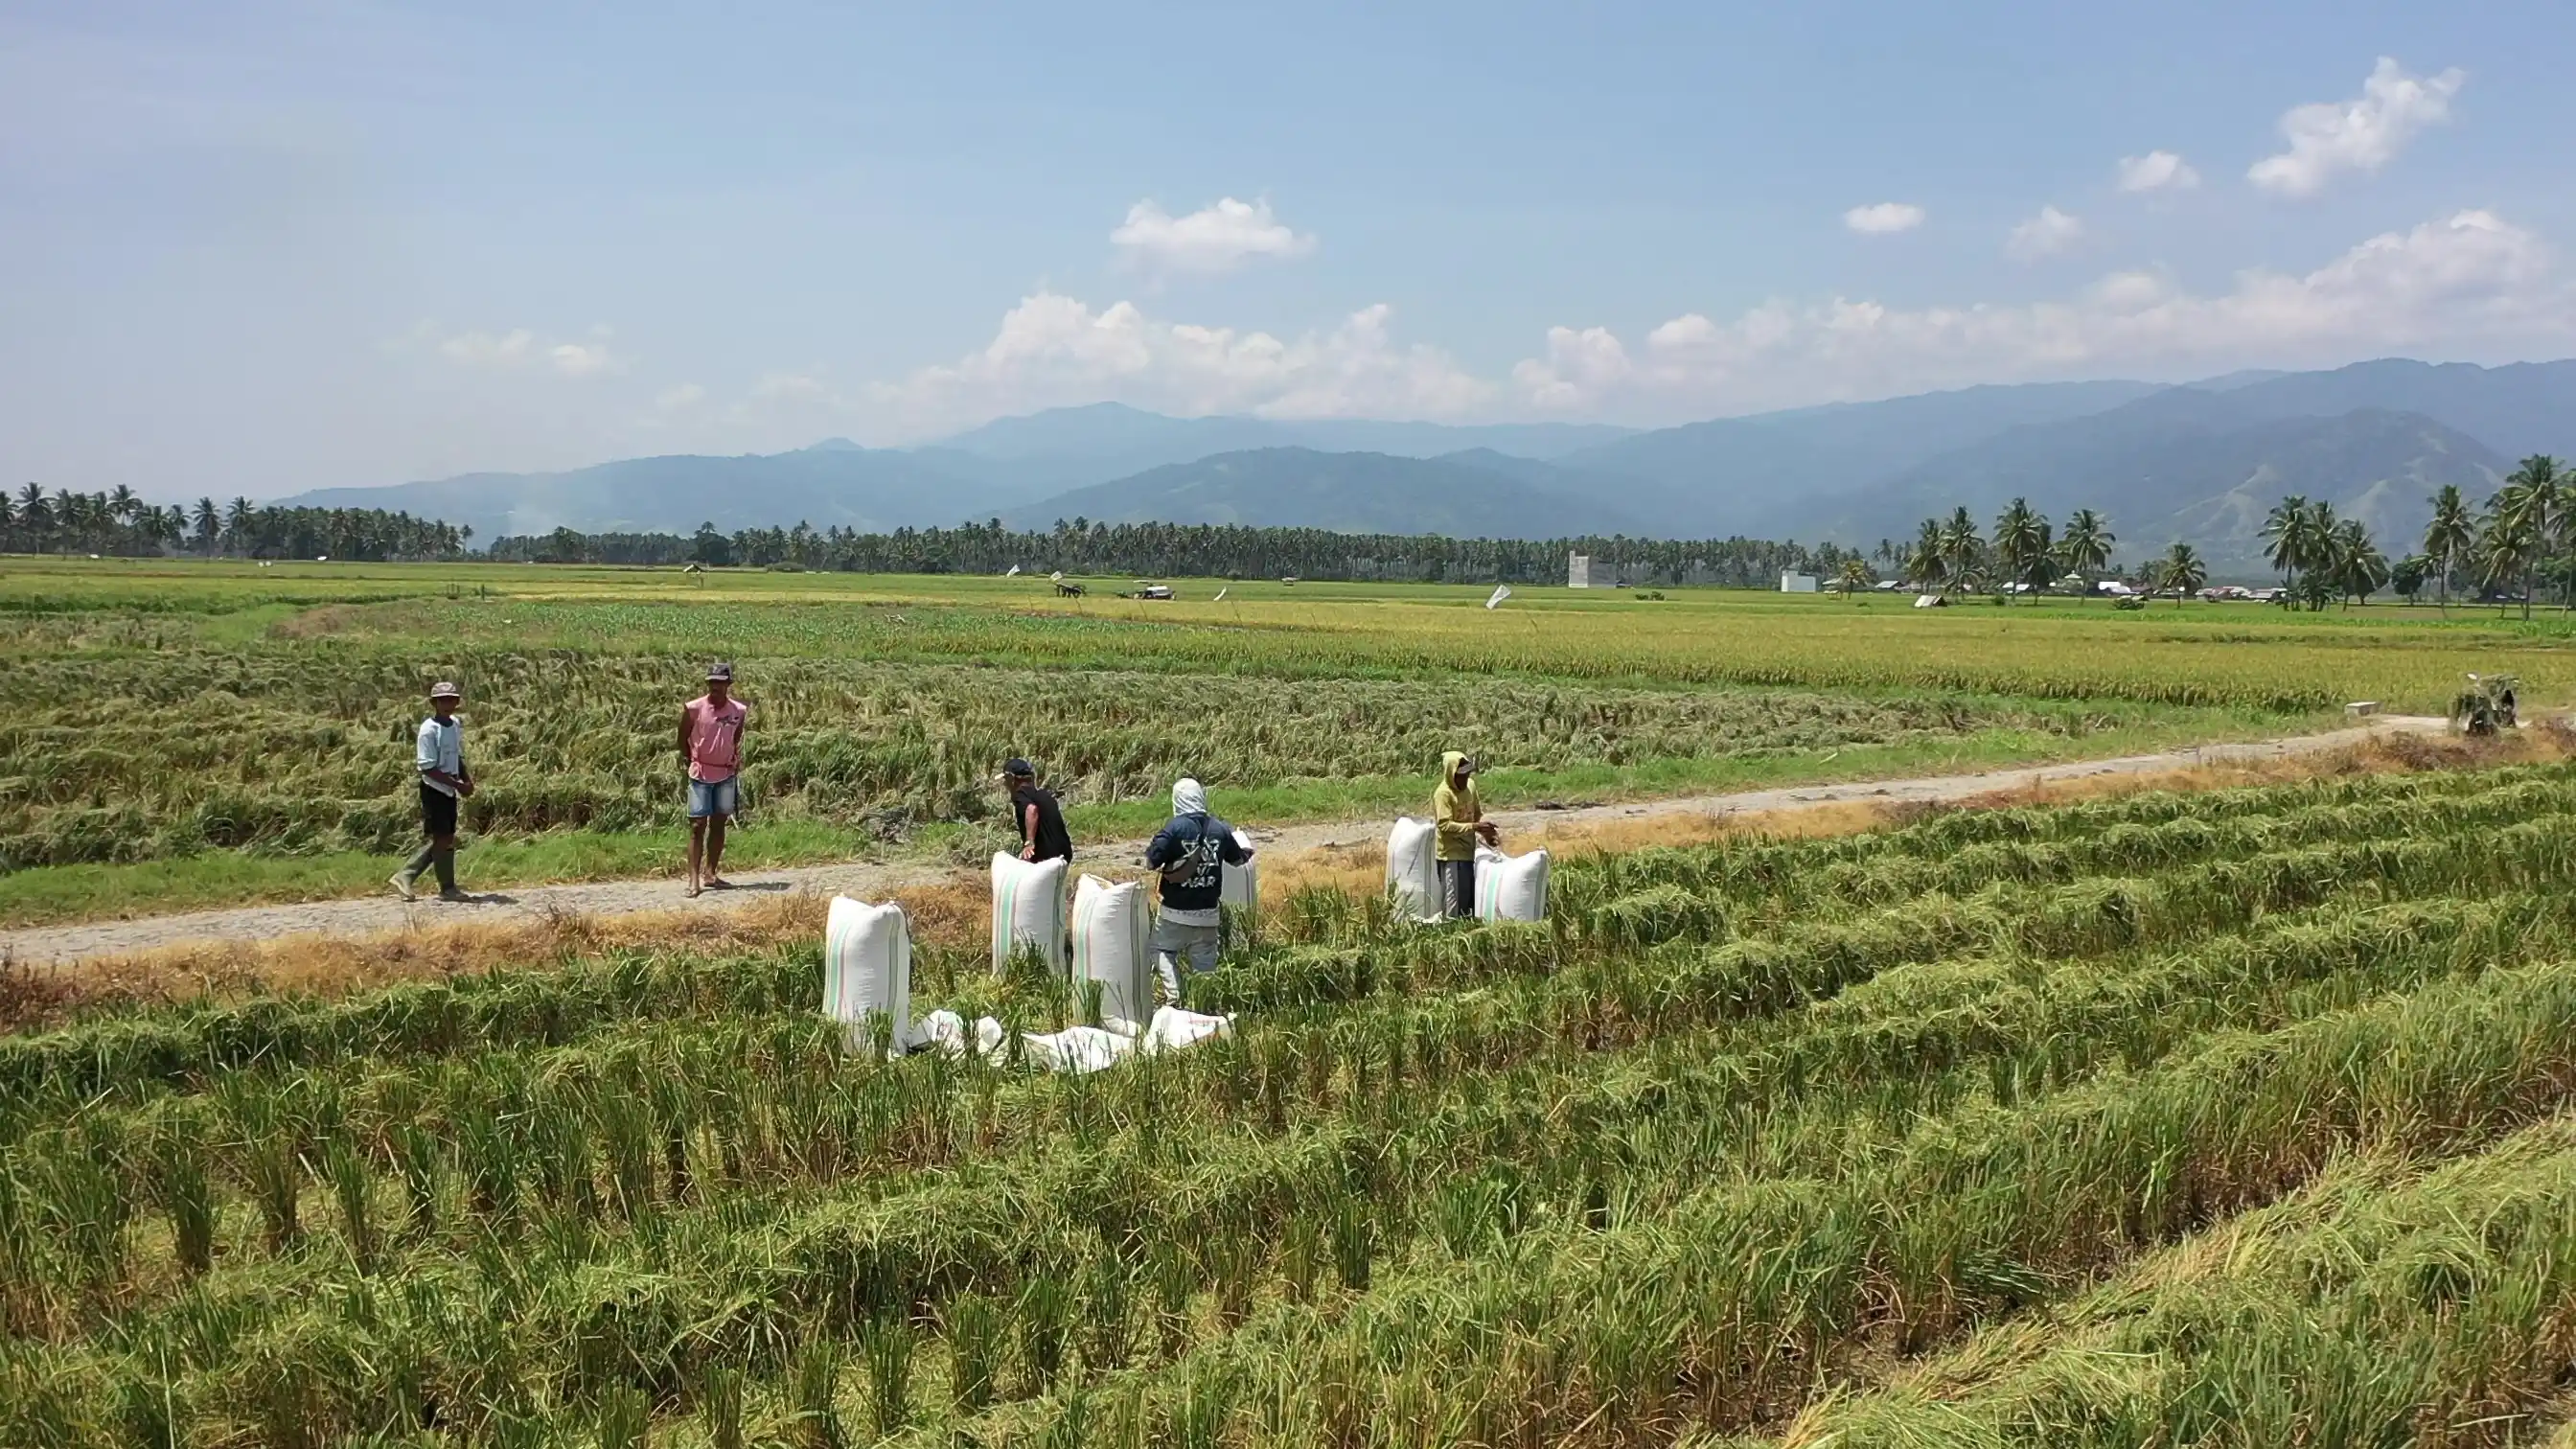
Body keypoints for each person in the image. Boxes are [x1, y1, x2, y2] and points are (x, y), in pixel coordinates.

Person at [1143, 777, 1254, 1003]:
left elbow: (1151, 861)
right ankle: (1206, 1009)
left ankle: (1175, 998)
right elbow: (1238, 860)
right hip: (1208, 915)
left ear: (1177, 800)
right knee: (1205, 968)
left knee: (1160, 949)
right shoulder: (1220, 829)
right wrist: (1247, 851)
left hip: (1175, 913)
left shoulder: (1174, 828)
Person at [390, 681, 474, 902]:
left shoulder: (455, 724)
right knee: (442, 838)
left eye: (451, 700)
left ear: (457, 702)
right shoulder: (429, 730)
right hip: (434, 788)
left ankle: (445, 887)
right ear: (434, 703)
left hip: (450, 787)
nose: (447, 704)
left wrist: (466, 779)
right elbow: (427, 767)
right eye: (442, 700)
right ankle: (410, 876)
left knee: (447, 837)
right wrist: (457, 785)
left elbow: (456, 755)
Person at [679, 661, 749, 897]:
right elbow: (682, 737)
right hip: (700, 773)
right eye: (712, 683)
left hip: (726, 773)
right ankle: (693, 880)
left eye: (720, 683)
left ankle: (710, 873)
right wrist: (693, 759)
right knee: (698, 825)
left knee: (719, 823)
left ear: (728, 684)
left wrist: (732, 758)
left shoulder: (738, 711)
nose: (715, 687)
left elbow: (736, 737)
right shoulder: (694, 708)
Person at [1432, 750, 1497, 919]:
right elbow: (1444, 825)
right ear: (1450, 773)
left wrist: (1488, 834)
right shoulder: (1444, 794)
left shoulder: (1471, 786)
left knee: (1468, 902)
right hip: (1451, 854)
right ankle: (1450, 934)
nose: (1464, 779)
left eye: (1467, 774)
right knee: (1453, 906)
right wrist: (1474, 826)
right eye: (1460, 776)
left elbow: (1477, 813)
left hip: (1468, 852)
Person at [1002, 757, 1073, 863]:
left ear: (1012, 779)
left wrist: (1029, 843)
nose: (1004, 783)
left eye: (1006, 779)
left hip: (1046, 858)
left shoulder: (1019, 795)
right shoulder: (1045, 795)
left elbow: (1031, 810)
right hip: (1064, 855)